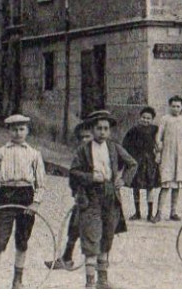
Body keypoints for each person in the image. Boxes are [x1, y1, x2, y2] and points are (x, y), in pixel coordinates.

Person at [64, 109, 136, 289]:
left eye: (106, 128)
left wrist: (123, 179)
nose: (102, 132)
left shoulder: (113, 147)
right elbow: (73, 172)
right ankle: (90, 282)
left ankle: (102, 280)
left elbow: (132, 163)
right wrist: (90, 178)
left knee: (107, 236)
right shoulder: (84, 149)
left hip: (111, 196)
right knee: (91, 236)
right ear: (92, 129)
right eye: (98, 128)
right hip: (90, 197)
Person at [0, 113, 47, 288]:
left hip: (26, 195)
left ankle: (18, 280)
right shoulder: (0, 154)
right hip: (6, 195)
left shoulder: (34, 154)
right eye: (14, 129)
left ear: (27, 130)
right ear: (8, 131)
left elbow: (41, 183)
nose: (18, 133)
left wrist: (36, 202)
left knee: (22, 239)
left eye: (21, 129)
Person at [49, 122, 94, 271]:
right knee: (74, 226)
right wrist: (76, 192)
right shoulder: (80, 154)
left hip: (96, 198)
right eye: (82, 137)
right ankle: (67, 258)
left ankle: (97, 267)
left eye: (88, 136)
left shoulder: (101, 154)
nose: (84, 140)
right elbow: (73, 175)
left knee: (94, 231)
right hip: (82, 196)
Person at [155, 95, 182, 221]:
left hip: (180, 155)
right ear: (169, 106)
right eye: (173, 106)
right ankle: (159, 213)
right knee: (166, 185)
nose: (175, 108)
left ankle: (173, 212)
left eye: (178, 106)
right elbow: (159, 135)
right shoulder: (165, 119)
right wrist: (159, 145)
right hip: (168, 154)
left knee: (177, 186)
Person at [121, 106, 161, 222]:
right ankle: (137, 212)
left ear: (152, 119)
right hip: (137, 161)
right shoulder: (134, 130)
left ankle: (150, 214)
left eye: (148, 118)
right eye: (143, 117)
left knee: (150, 188)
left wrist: (158, 153)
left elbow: (159, 142)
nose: (145, 120)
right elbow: (126, 144)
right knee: (135, 187)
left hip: (150, 162)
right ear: (140, 118)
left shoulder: (155, 130)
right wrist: (129, 159)